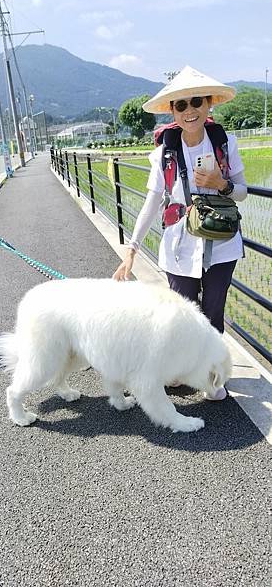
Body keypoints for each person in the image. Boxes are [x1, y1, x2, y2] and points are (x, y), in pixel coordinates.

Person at [113, 66, 247, 400]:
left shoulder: (224, 142)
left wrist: (221, 184)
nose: (190, 110)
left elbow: (242, 191)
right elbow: (152, 200)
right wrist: (131, 248)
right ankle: (182, 368)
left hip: (223, 244)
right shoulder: (164, 153)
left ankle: (213, 378)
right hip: (179, 247)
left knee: (213, 314)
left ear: (208, 104)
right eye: (181, 105)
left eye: (196, 102)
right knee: (183, 315)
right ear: (173, 111)